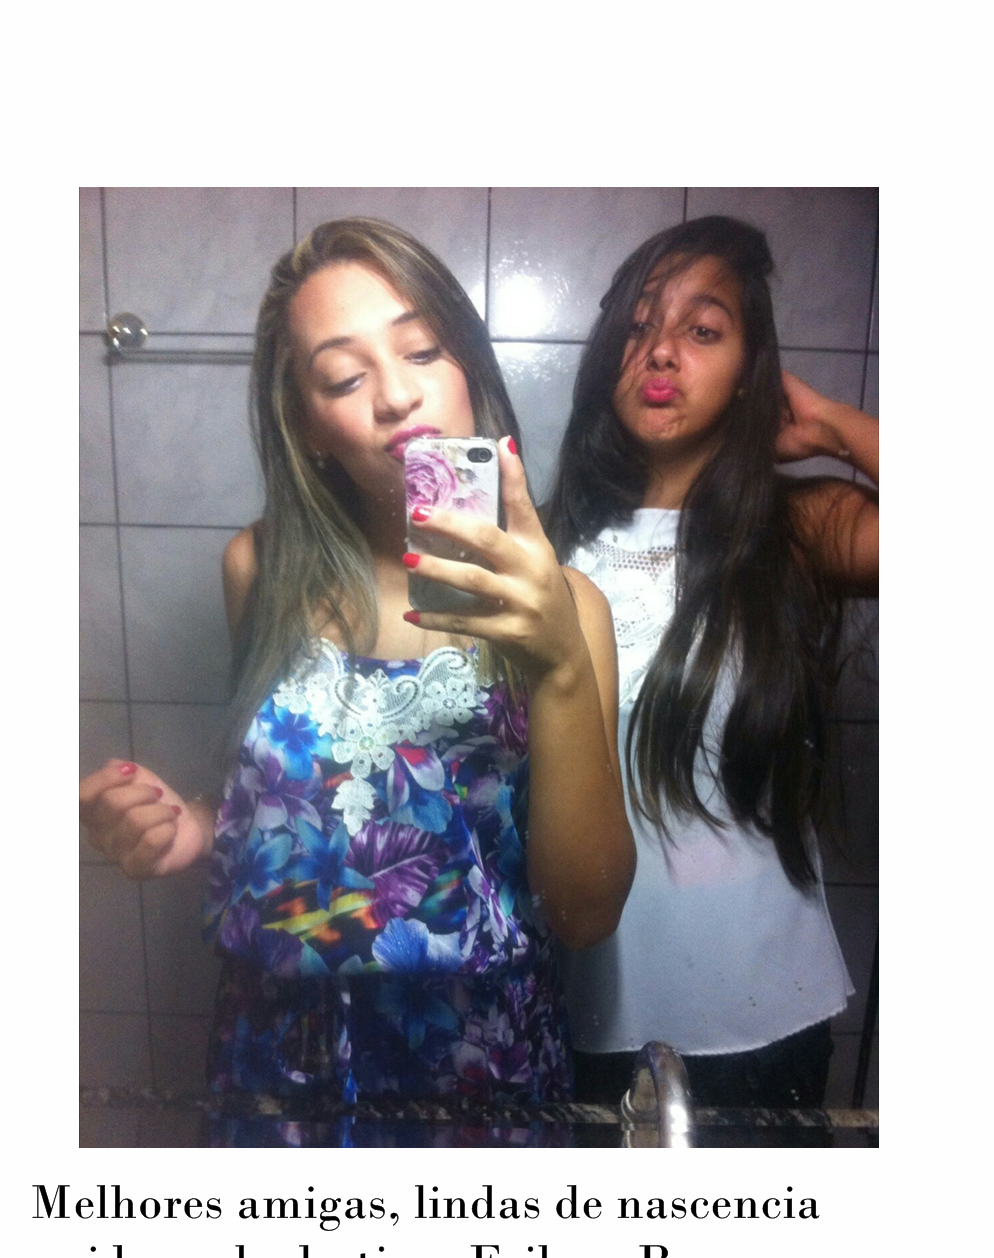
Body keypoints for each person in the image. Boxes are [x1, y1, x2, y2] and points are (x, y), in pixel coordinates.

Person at [79, 218, 635, 1125]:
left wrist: (561, 662)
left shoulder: (572, 604)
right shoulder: (258, 569)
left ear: (469, 367)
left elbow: (585, 914)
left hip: (477, 1063)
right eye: (343, 376)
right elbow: (283, 794)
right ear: (308, 424)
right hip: (277, 1059)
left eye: (423, 350)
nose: (397, 396)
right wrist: (195, 826)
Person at [545, 214, 878, 1109]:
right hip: (584, 1005)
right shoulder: (548, 543)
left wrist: (833, 426)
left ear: (748, 372)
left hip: (767, 1011)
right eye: (640, 326)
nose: (661, 352)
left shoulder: (796, 527)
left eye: (702, 330)